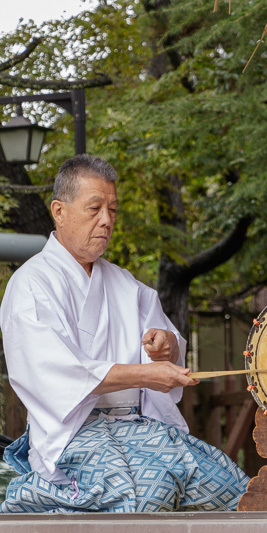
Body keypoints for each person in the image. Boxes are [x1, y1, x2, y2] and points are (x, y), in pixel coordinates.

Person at [0, 154, 249, 513]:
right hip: (72, 436)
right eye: (94, 208)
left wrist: (166, 349)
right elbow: (52, 372)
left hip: (141, 428)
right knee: (143, 496)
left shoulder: (124, 284)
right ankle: (37, 493)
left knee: (230, 488)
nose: (106, 221)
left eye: (113, 210)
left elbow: (167, 341)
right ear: (59, 211)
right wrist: (147, 373)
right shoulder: (31, 284)